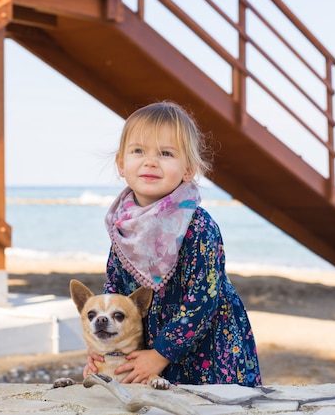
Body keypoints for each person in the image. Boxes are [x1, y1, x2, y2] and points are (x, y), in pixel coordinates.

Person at [89, 100, 262, 387]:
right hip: (148, 347)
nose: (151, 161)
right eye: (138, 151)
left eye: (166, 153)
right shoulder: (123, 227)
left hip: (207, 348)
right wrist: (104, 343)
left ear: (189, 169)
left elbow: (202, 301)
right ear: (121, 164)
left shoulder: (198, 225)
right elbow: (115, 293)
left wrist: (160, 354)